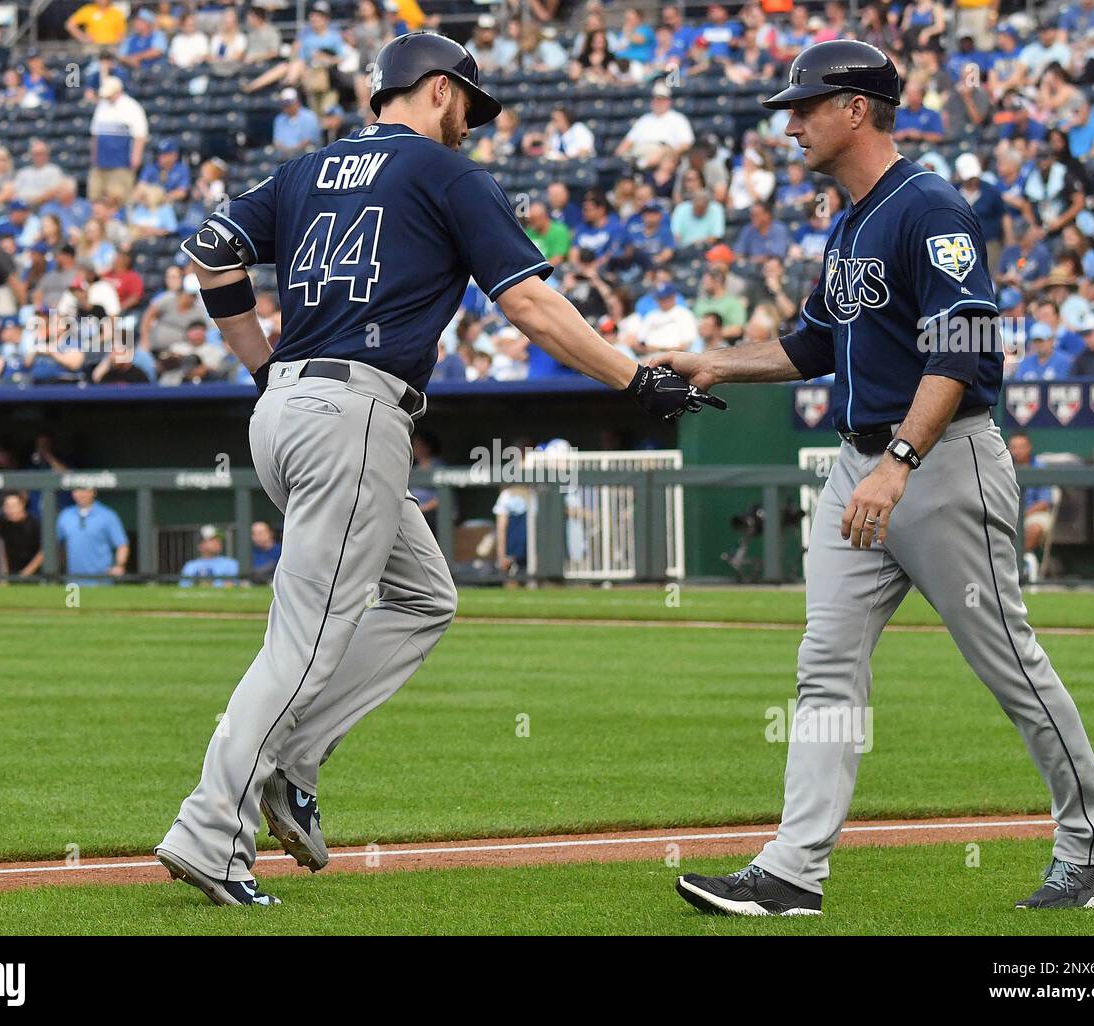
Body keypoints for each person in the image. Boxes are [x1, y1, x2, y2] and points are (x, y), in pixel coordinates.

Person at [154, 30, 724, 908]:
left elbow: (210, 255)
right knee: (304, 640)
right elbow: (530, 301)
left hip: (289, 408)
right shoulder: (447, 173)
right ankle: (208, 830)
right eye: (468, 97)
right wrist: (634, 377)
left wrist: (263, 363)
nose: (472, 118)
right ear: (433, 88)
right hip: (353, 412)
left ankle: (292, 764)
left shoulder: (307, 170)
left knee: (426, 596)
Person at [654, 40, 1094, 917]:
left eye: (804, 107)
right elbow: (807, 347)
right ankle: (793, 870)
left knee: (1008, 666)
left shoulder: (931, 209)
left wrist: (900, 462)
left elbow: (963, 348)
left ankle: (1091, 848)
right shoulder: (849, 220)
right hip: (861, 464)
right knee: (825, 666)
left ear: (857, 109)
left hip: (942, 464)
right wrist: (713, 362)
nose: (789, 124)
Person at [88, 76, 149, 204]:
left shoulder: (131, 106)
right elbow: (95, 133)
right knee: (95, 196)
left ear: (118, 91)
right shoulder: (102, 106)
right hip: (101, 162)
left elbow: (140, 134)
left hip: (121, 163)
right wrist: (94, 156)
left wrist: (135, 157)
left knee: (118, 199)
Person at [56, 487, 128, 584]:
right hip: (73, 582)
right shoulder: (65, 515)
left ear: (93, 492)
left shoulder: (108, 515)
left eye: (85, 490)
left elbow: (122, 545)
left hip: (101, 581)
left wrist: (119, 565)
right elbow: (52, 544)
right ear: (73, 493)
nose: (81, 494)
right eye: (78, 490)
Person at [1008, 432, 1053, 582]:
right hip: (1008, 513)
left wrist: (1023, 514)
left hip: (1032, 513)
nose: (1018, 451)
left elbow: (1045, 502)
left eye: (1022, 447)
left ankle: (1017, 562)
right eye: (1014, 447)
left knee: (1035, 527)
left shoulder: (1040, 467)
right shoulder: (1004, 467)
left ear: (1029, 448)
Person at [0, 492, 43, 577]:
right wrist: (4, 574)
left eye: (14, 506)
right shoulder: (2, 522)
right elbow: (2, 547)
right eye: (7, 506)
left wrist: (26, 573)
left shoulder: (35, 523)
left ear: (22, 505)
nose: (10, 510)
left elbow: (43, 552)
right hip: (12, 574)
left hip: (36, 574)